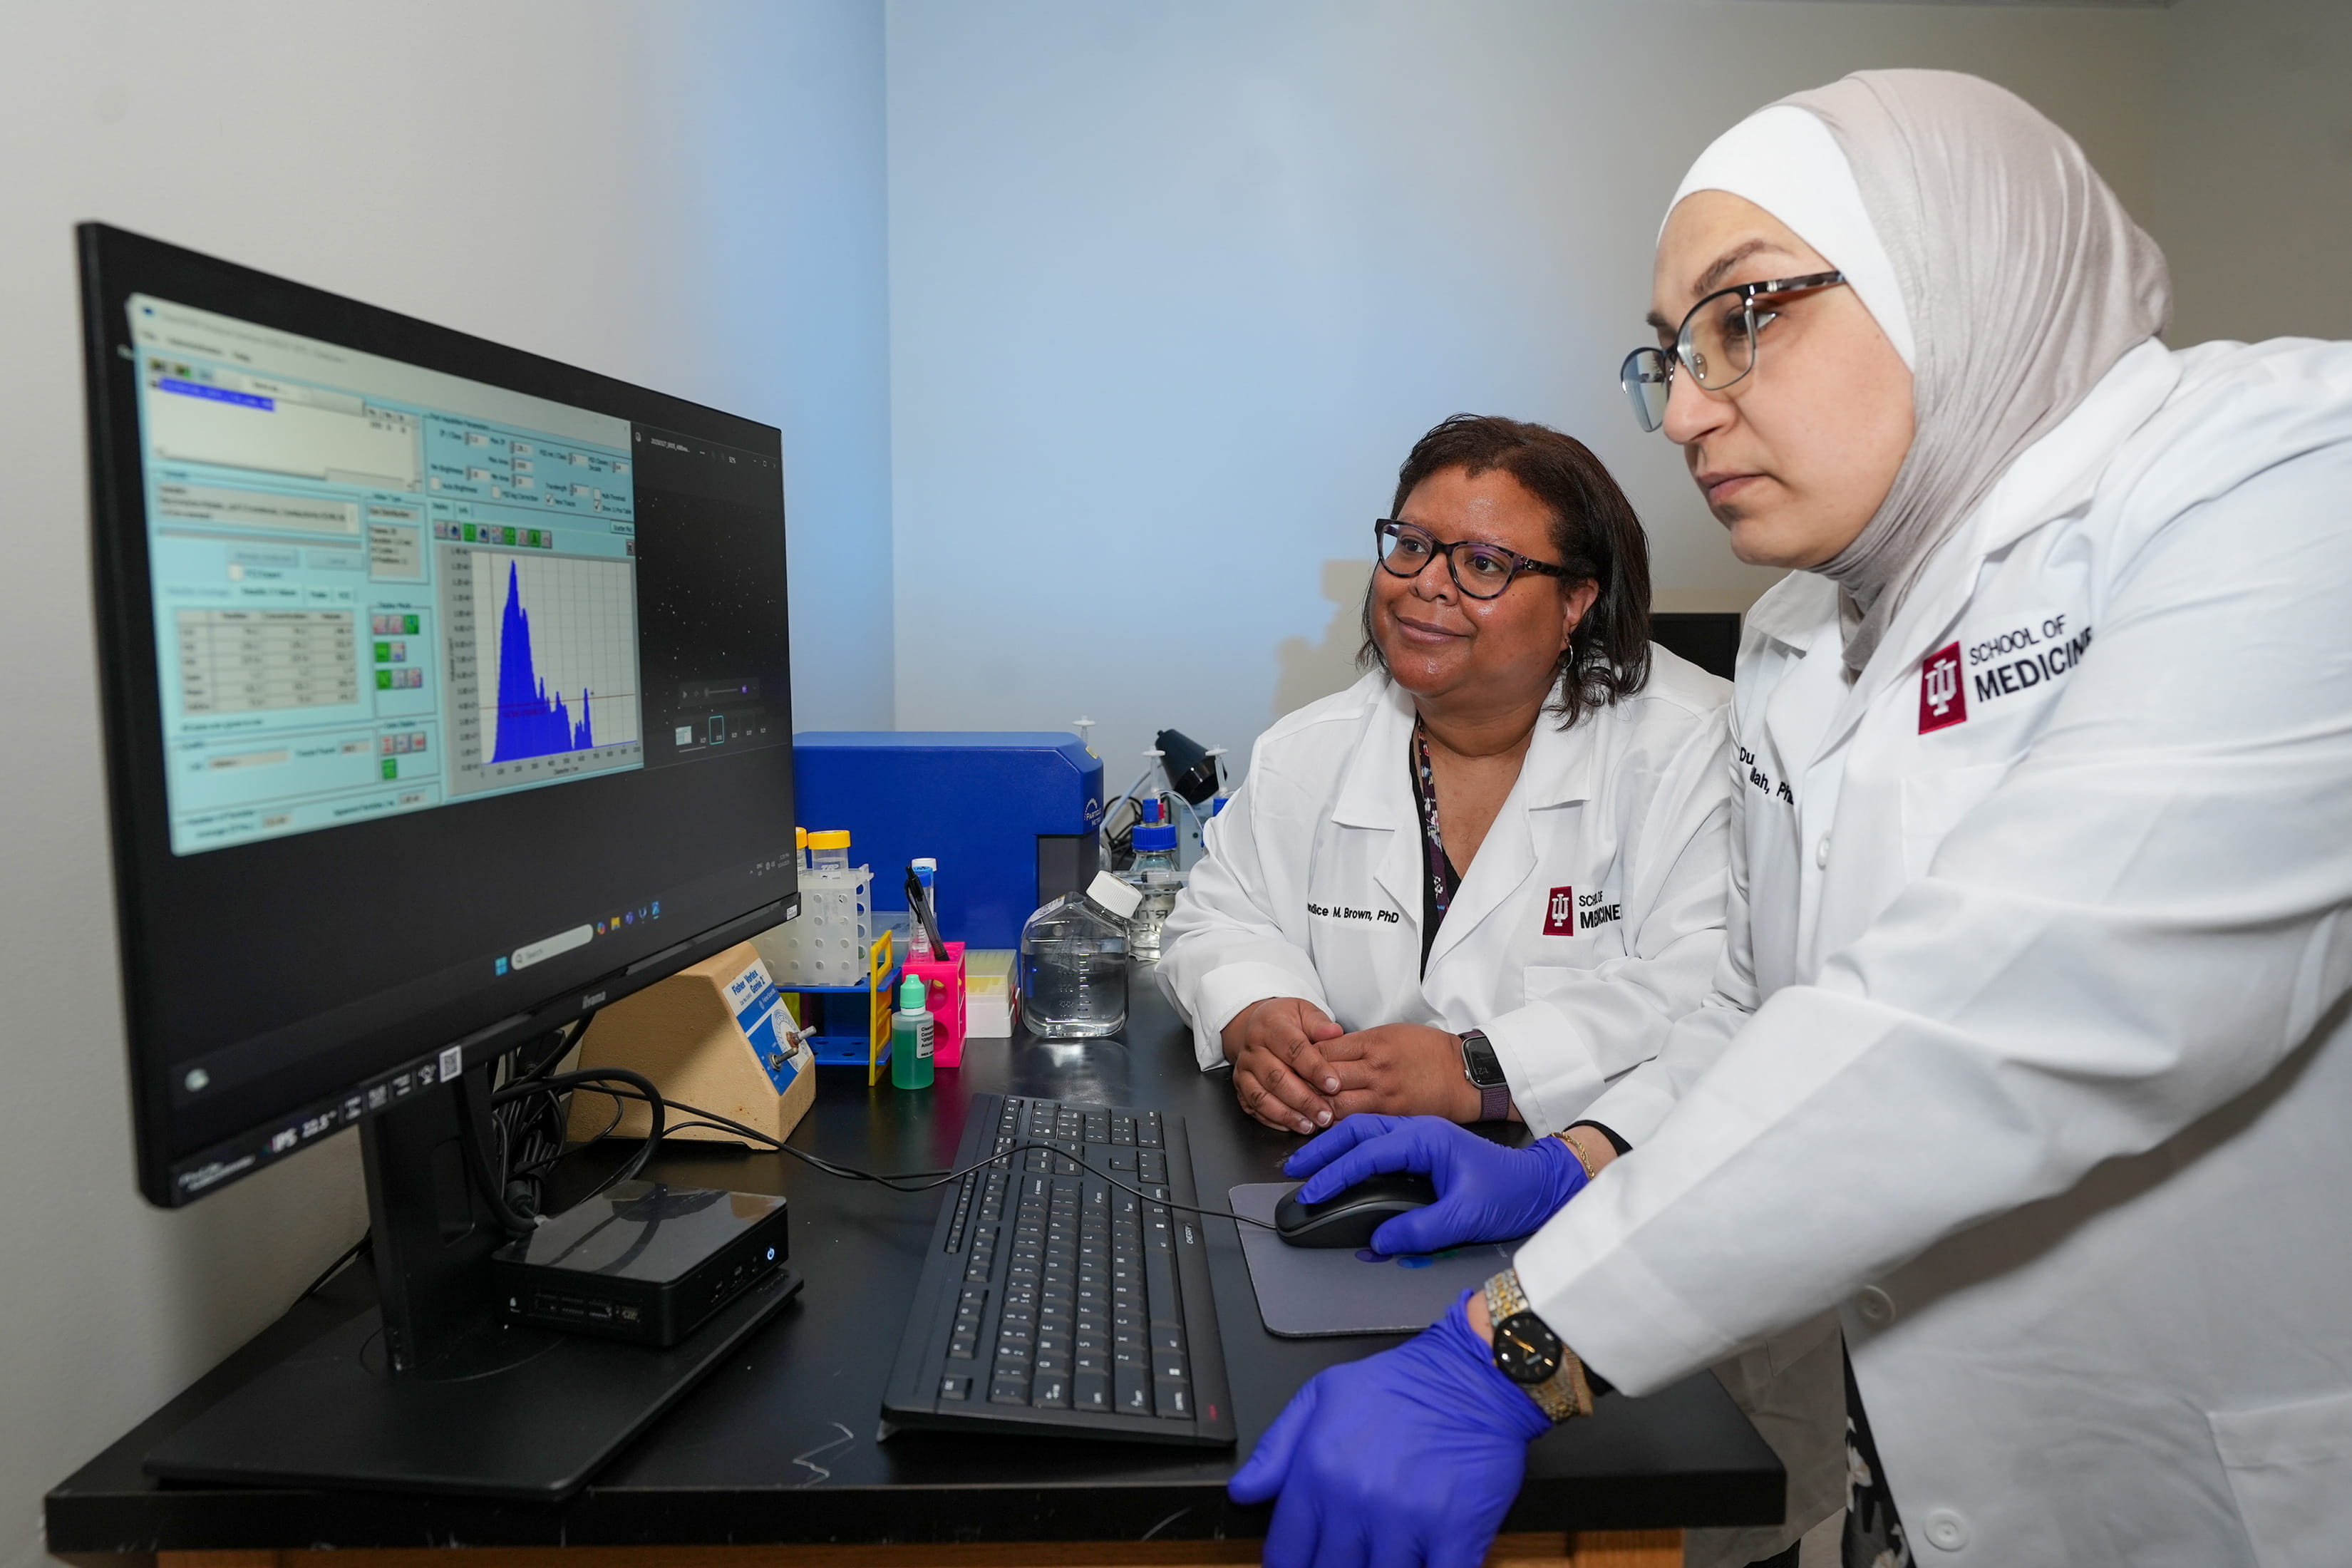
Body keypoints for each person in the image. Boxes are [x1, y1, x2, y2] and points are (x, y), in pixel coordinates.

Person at [1229, 69, 2352, 1568]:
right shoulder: (1796, 640)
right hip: (1899, 1468)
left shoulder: (2283, 481)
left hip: (2209, 1481)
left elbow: (2002, 1012)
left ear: (1953, 263)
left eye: (1744, 314)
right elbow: (1763, 1011)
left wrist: (1516, 1339)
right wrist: (1578, 1162)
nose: (1687, 407)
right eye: (1669, 355)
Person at [1158, 413, 1732, 1147]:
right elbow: (1220, 920)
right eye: (1411, 545)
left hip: (1602, 1181)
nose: (1426, 584)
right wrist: (1260, 1012)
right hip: (1339, 1158)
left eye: (1485, 564)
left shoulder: (1692, 743)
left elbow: (1711, 985)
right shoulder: (1307, 751)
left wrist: (1479, 1072)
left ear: (1577, 601)